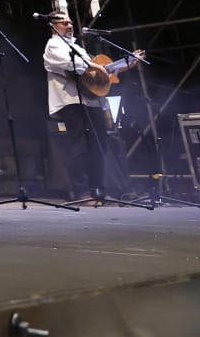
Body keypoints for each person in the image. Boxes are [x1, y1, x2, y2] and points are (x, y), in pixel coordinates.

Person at [42, 12, 137, 203]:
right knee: (79, 145)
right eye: (64, 22)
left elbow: (99, 73)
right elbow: (74, 65)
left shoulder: (77, 47)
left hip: (92, 100)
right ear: (53, 26)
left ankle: (98, 189)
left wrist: (125, 64)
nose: (69, 25)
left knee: (99, 145)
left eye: (70, 22)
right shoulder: (54, 45)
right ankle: (81, 191)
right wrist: (94, 66)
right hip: (71, 100)